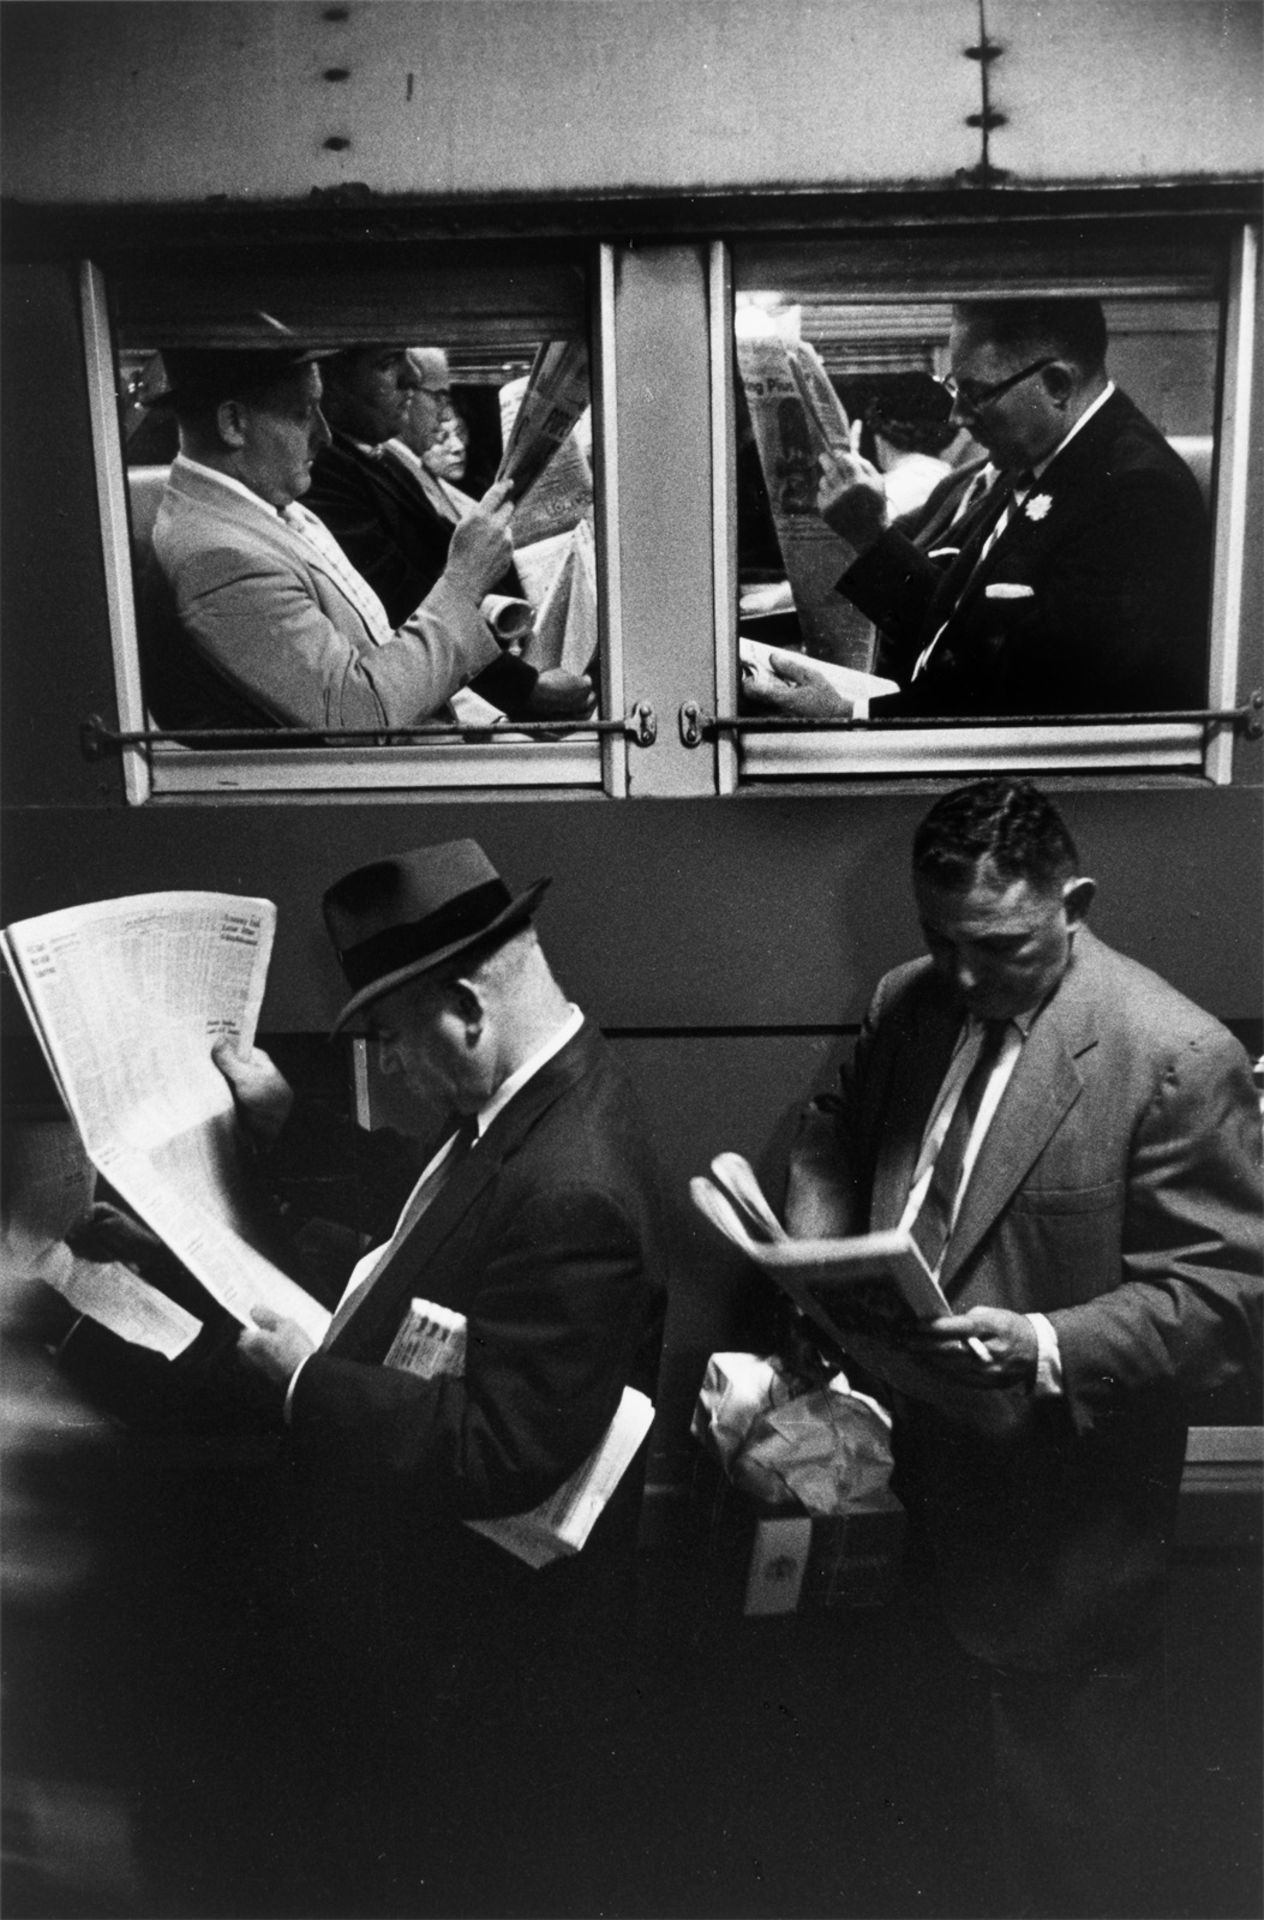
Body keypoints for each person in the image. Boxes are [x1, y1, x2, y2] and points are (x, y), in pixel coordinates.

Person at [784, 778, 1261, 1917]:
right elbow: (829, 1129)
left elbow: (1231, 1296)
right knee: (919, 1851)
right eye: (937, 940)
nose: (960, 976)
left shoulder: (1174, 1055)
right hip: (905, 1518)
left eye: (994, 947)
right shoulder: (909, 999)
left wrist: (1046, 1341)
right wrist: (815, 1259)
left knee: (1058, 1867)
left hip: (1060, 1555)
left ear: (1074, 903)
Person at [750, 299, 1210, 721]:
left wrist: (854, 715)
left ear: (1057, 384)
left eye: (976, 394)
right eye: (954, 389)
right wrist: (871, 540)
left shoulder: (1138, 495)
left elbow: (1033, 698)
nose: (957, 418)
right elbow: (952, 630)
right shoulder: (1032, 457)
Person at [139, 340, 527, 735]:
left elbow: (374, 646)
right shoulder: (220, 557)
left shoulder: (257, 509)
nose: (324, 437)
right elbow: (359, 717)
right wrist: (463, 582)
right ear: (234, 423)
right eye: (303, 414)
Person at [304, 344, 593, 720]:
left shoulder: (379, 457)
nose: (413, 374)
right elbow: (400, 595)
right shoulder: (325, 472)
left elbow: (432, 563)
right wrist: (523, 689)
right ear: (326, 380)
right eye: (387, 360)